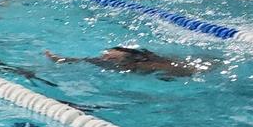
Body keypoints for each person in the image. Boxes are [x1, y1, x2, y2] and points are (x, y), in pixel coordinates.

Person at [46, 46, 205, 78]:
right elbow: (84, 60)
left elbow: (190, 70)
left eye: (111, 56)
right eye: (106, 56)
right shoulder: (109, 64)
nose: (106, 58)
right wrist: (59, 59)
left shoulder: (147, 64)